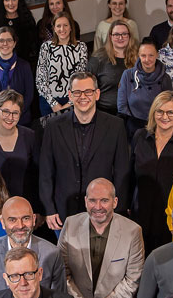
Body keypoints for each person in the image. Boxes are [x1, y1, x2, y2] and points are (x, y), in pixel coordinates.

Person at [39, 71, 131, 231]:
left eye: (88, 91)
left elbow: (122, 172)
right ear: (70, 95)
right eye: (77, 92)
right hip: (62, 214)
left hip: (102, 213)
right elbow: (46, 171)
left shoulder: (116, 126)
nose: (83, 97)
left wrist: (118, 210)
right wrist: (49, 208)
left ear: (97, 94)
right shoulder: (53, 126)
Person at [131, 91, 173, 253]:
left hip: (169, 215)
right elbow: (130, 174)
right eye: (160, 112)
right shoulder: (140, 136)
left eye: (170, 112)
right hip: (140, 210)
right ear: (153, 113)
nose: (165, 117)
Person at [0, 26, 37, 127]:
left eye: (9, 40)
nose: (5, 44)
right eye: (1, 40)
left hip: (21, 121)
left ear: (14, 43)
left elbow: (29, 95)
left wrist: (15, 115)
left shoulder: (25, 66)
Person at [36, 11, 88, 117]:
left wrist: (70, 103)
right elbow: (40, 79)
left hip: (74, 100)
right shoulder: (46, 47)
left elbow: (81, 78)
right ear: (54, 28)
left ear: (71, 27)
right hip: (48, 101)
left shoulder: (81, 47)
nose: (62, 29)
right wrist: (54, 104)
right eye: (58, 26)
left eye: (65, 25)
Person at [118, 37, 173, 136]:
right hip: (132, 128)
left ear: (157, 55)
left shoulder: (165, 78)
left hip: (157, 128)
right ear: (138, 55)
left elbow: (169, 106)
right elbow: (122, 106)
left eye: (151, 55)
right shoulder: (127, 75)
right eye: (143, 55)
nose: (147, 60)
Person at [87, 18, 134, 116]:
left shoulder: (138, 57)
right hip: (105, 113)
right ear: (110, 36)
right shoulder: (99, 58)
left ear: (129, 36)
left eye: (124, 34)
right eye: (116, 34)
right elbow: (87, 86)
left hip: (132, 112)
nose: (120, 37)